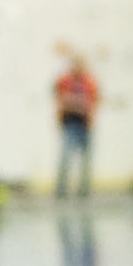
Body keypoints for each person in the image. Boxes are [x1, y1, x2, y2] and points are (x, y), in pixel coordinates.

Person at [51, 45, 100, 198]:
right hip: (69, 123)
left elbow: (94, 100)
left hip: (85, 124)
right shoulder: (65, 81)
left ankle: (84, 192)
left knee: (86, 160)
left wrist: (83, 107)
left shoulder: (89, 82)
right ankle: (61, 191)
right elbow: (59, 96)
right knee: (65, 158)